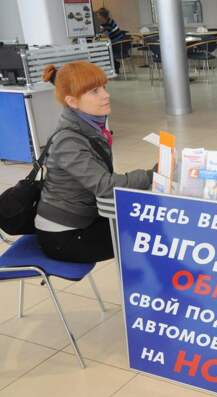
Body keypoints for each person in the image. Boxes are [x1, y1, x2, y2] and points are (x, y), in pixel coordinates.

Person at [36, 62, 153, 263]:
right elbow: (105, 186)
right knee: (148, 237)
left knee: (147, 223)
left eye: (104, 87)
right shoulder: (69, 141)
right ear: (72, 101)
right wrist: (150, 175)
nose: (106, 95)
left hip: (84, 217)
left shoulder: (90, 128)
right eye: (94, 91)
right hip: (64, 235)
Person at [96, 7, 125, 73]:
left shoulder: (109, 23)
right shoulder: (104, 24)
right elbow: (102, 35)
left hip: (118, 44)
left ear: (102, 16)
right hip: (113, 43)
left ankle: (114, 66)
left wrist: (97, 37)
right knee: (102, 49)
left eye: (98, 15)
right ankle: (113, 66)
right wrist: (98, 36)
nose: (97, 17)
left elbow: (105, 36)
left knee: (103, 50)